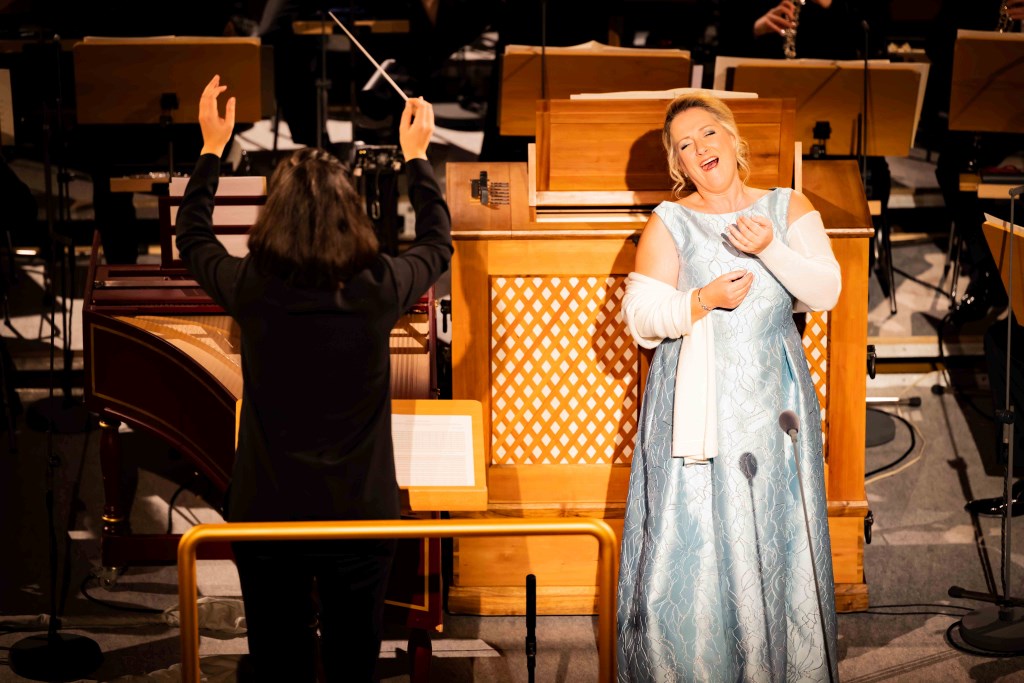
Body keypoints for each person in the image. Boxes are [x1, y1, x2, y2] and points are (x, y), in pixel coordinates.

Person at [177, 75, 451, 682]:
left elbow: (191, 236)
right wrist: (416, 158)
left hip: (268, 512)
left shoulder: (252, 288)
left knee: (280, 660)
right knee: (355, 659)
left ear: (272, 217)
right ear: (352, 215)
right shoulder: (379, 289)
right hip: (360, 512)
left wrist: (210, 149)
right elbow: (437, 242)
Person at [616, 91, 842, 680]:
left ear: (733, 139)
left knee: (774, 537)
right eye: (685, 147)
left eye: (708, 134)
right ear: (679, 167)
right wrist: (700, 300)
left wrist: (771, 248)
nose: (700, 149)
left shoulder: (788, 206)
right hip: (699, 410)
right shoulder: (670, 221)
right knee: (704, 544)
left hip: (776, 405)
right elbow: (639, 319)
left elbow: (826, 292)